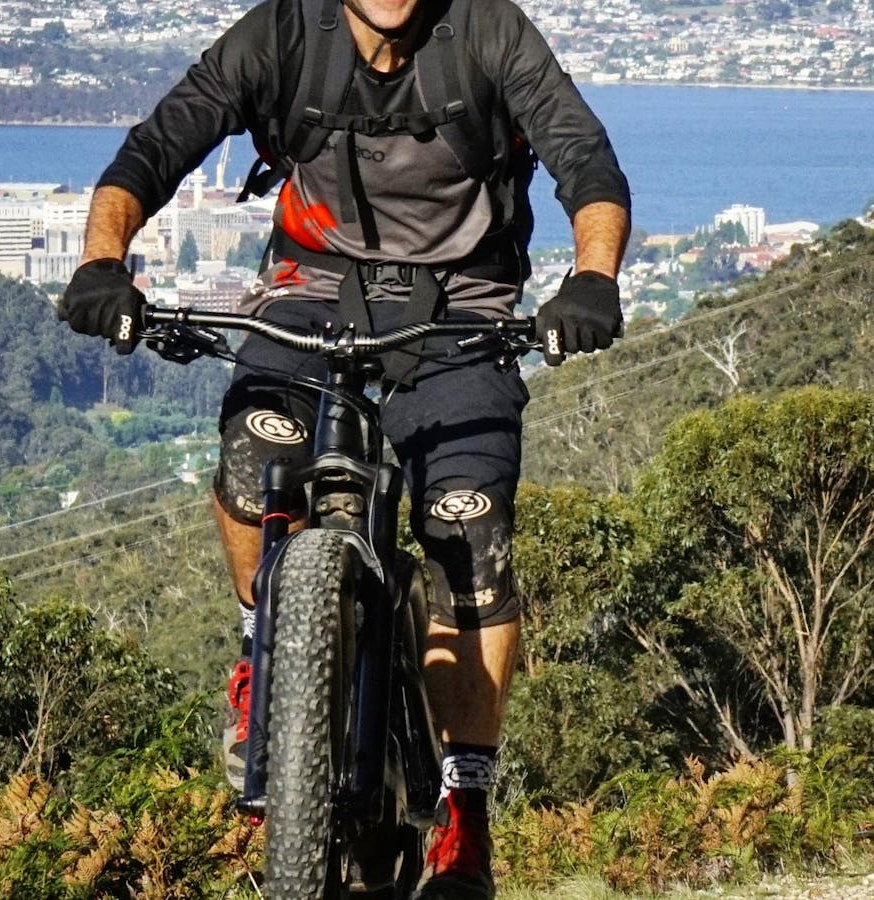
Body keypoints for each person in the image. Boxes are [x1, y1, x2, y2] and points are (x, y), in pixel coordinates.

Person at [55, 0, 630, 895]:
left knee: (468, 528)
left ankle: (465, 809)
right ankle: (262, 649)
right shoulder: (285, 32)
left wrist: (592, 279)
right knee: (256, 456)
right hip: (307, 293)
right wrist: (102, 259)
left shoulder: (486, 29)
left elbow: (586, 159)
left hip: (463, 310)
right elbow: (156, 147)